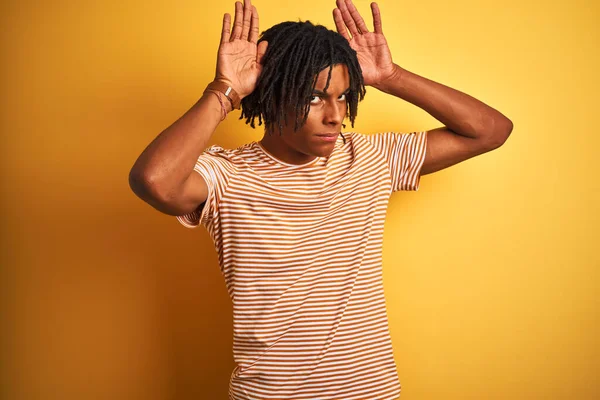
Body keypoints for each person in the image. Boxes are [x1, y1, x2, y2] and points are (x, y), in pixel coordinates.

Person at [129, 0, 513, 398]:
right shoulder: (227, 175)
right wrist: (224, 92)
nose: (335, 115)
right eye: (314, 97)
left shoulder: (370, 158)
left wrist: (391, 76)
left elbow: (490, 131)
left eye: (344, 97)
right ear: (271, 93)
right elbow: (155, 181)